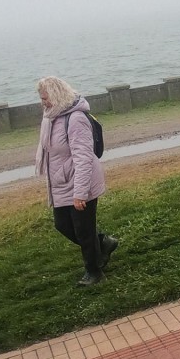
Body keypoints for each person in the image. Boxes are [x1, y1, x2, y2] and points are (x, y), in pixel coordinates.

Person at [35, 77, 117, 286]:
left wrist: (80, 193)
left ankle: (94, 273)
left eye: (46, 98)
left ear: (57, 96)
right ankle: (103, 243)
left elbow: (83, 158)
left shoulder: (76, 119)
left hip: (81, 181)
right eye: (41, 98)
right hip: (62, 182)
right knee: (62, 224)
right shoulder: (50, 117)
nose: (43, 103)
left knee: (84, 230)